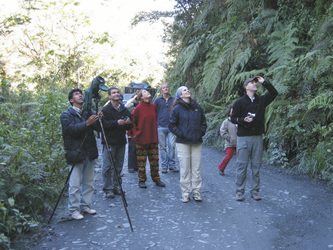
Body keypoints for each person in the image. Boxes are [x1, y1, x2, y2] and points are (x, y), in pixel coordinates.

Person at [231, 76, 278, 201]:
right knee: (242, 166)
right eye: (252, 83)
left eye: (256, 83)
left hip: (257, 137)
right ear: (246, 87)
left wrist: (264, 82)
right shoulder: (239, 102)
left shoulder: (261, 100)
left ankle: (255, 191)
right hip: (244, 138)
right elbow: (233, 118)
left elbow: (274, 93)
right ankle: (239, 192)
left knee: (256, 166)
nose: (255, 84)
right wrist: (243, 120)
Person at [60, 88, 102, 220]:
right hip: (75, 152)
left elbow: (99, 129)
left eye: (81, 94)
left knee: (89, 182)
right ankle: (73, 210)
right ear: (71, 100)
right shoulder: (66, 114)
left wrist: (98, 119)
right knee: (75, 184)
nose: (80, 96)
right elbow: (70, 130)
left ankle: (85, 206)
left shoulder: (88, 111)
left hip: (89, 151)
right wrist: (86, 123)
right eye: (77, 94)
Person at [169, 86, 207, 203]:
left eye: (188, 89)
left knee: (196, 169)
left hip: (196, 142)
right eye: (184, 90)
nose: (188, 90)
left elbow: (203, 122)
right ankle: (185, 193)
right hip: (183, 142)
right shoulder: (177, 109)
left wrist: (200, 132)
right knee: (185, 169)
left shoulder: (197, 107)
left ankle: (197, 192)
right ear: (180, 95)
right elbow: (171, 125)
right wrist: (182, 134)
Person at [101, 87, 132, 198]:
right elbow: (103, 125)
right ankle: (108, 188)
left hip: (121, 141)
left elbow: (130, 124)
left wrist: (128, 123)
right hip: (109, 141)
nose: (116, 94)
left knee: (119, 166)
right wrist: (116, 123)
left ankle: (117, 186)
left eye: (118, 92)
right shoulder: (105, 110)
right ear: (109, 96)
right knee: (108, 166)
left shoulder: (123, 109)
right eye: (114, 93)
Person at [132, 89, 166, 188]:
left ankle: (156, 179)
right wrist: (135, 133)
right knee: (141, 161)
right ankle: (141, 180)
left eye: (147, 91)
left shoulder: (153, 106)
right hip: (141, 139)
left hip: (153, 138)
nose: (147, 93)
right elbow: (133, 121)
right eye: (145, 92)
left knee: (155, 160)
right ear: (142, 97)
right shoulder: (138, 108)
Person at [154, 82, 178, 173]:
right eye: (164, 87)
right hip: (161, 127)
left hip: (171, 127)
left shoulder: (174, 100)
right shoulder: (157, 100)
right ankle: (164, 166)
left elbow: (177, 112)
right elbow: (154, 113)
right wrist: (156, 124)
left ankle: (172, 165)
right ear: (161, 90)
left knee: (172, 146)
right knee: (162, 147)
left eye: (167, 87)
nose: (166, 88)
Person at [218, 107, 237, 175]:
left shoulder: (239, 120)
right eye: (232, 111)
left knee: (241, 158)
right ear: (229, 113)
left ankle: (241, 172)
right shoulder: (226, 122)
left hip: (239, 143)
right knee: (228, 156)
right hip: (230, 143)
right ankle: (221, 168)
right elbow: (222, 131)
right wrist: (229, 138)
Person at [125, 92, 140, 173]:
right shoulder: (130, 107)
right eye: (136, 98)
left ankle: (136, 165)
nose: (137, 99)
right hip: (131, 131)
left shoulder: (141, 106)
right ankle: (130, 165)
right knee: (132, 148)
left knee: (139, 149)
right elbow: (126, 107)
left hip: (140, 131)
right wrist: (134, 98)